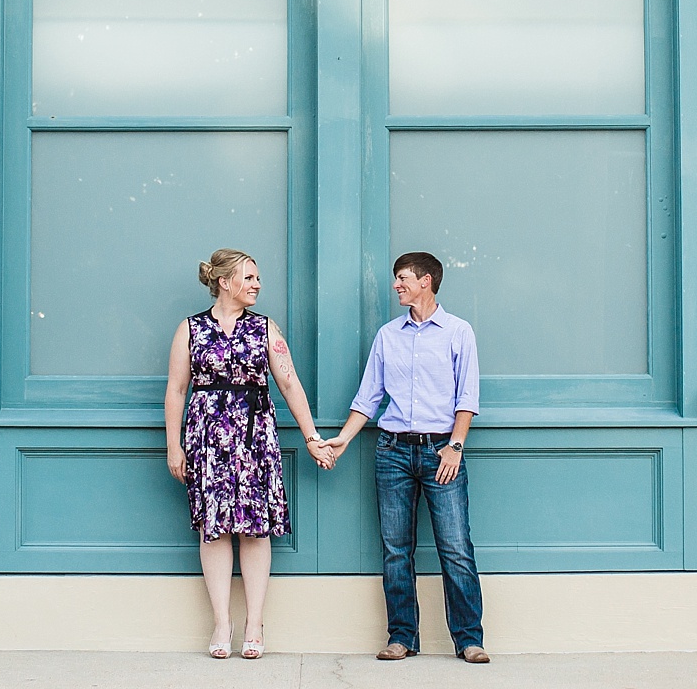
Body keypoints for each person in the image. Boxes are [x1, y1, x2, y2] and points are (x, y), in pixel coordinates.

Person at [164, 248, 331, 660]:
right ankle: (222, 621)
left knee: (256, 528)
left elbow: (289, 383)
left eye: (257, 277)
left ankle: (255, 622)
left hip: (255, 435)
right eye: (250, 277)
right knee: (215, 528)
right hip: (206, 437)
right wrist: (174, 444)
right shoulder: (190, 329)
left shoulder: (264, 328)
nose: (257, 284)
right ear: (225, 281)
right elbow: (176, 390)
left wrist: (311, 438)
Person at [324, 251, 487, 663]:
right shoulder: (388, 335)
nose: (396, 285)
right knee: (396, 549)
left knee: (455, 547)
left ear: (426, 281)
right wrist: (343, 439)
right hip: (392, 451)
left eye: (403, 278)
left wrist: (456, 445)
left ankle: (469, 640)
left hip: (441, 451)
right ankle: (402, 637)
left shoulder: (457, 332)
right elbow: (369, 397)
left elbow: (467, 396)